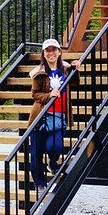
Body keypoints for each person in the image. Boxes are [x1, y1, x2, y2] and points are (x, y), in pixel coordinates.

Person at [27, 38, 80, 192]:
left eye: (54, 50)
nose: (51, 53)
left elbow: (75, 83)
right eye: (47, 50)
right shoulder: (39, 73)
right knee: (36, 153)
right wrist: (49, 95)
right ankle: (40, 183)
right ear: (43, 54)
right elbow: (35, 94)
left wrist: (76, 69)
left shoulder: (66, 68)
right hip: (41, 117)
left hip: (60, 115)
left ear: (59, 52)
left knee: (55, 147)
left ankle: (53, 163)